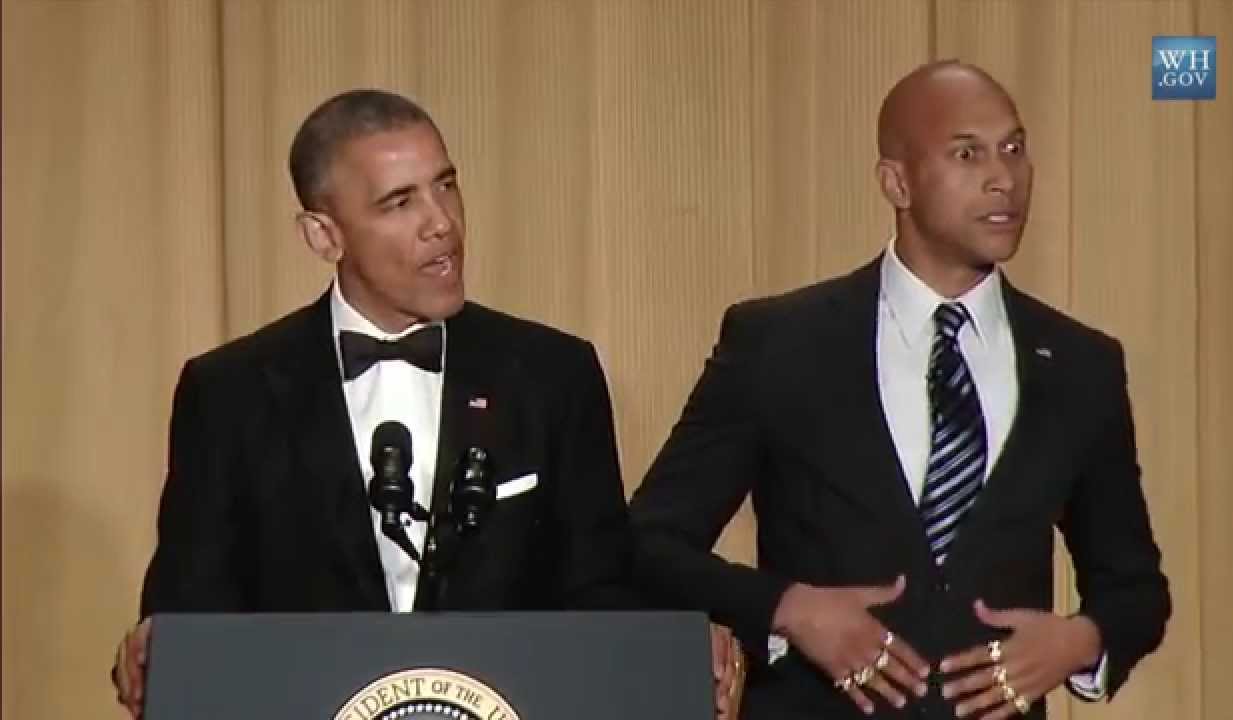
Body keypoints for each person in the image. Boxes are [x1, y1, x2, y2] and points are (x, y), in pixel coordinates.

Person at [628, 61, 1171, 719]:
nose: (1004, 178)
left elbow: (1134, 586)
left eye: (1015, 149)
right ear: (897, 181)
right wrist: (788, 610)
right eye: (967, 153)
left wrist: (1079, 641)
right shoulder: (779, 344)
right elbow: (648, 543)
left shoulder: (1081, 365)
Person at [112, 89, 674, 716]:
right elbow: (193, 614)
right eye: (400, 202)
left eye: (446, 186)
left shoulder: (552, 374)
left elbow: (603, 595)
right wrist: (157, 648)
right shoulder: (229, 393)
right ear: (324, 235)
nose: (442, 223)